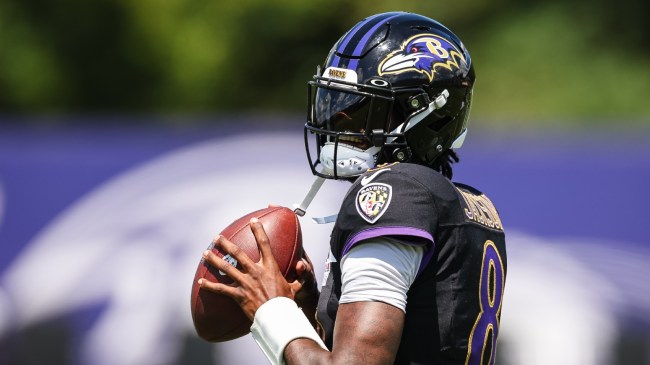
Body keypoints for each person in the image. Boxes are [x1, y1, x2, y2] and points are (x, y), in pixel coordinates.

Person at [198, 11, 507, 365]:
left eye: (362, 111)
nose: (338, 125)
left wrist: (272, 310)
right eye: (335, 106)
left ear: (431, 115)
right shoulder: (470, 205)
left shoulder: (396, 190)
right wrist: (315, 308)